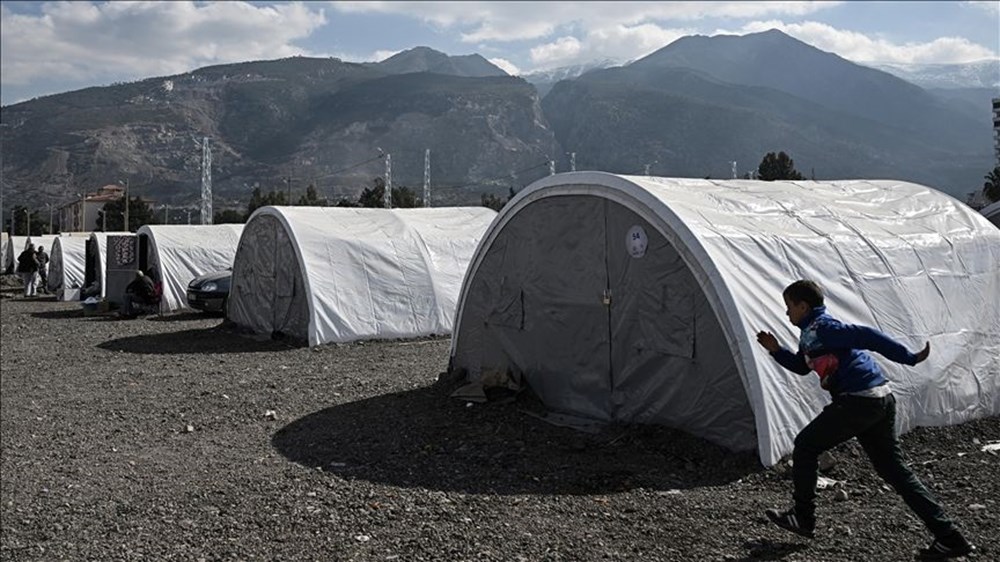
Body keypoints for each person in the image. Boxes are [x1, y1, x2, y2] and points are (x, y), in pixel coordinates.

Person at [755, 280, 973, 560]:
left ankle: (802, 516)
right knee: (894, 471)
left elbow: (867, 335)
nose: (787, 314)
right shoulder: (811, 334)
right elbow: (801, 366)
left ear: (803, 306)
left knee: (806, 446)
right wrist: (775, 350)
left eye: (789, 308)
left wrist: (908, 357)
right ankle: (949, 537)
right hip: (878, 398)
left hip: (859, 400)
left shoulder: (824, 327)